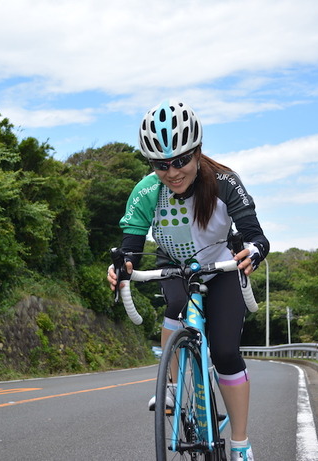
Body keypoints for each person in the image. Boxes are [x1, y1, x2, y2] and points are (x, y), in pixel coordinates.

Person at [107, 99, 269, 461]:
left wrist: (254, 252)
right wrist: (123, 268)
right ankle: (171, 385)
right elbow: (130, 251)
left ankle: (241, 444)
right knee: (177, 303)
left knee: (226, 352)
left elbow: (257, 236)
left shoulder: (225, 182)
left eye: (181, 160)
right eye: (161, 165)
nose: (173, 172)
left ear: (197, 152)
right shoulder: (147, 192)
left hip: (222, 268)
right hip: (176, 266)